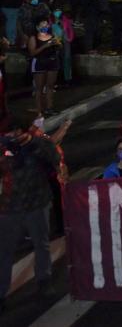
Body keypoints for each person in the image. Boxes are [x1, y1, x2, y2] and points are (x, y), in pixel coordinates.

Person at [0, 116, 60, 308]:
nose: (14, 136)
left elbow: (55, 158)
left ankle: (44, 281)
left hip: (37, 203)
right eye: (10, 132)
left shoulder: (38, 144)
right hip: (10, 207)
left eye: (17, 132)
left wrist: (33, 143)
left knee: (41, 245)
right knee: (5, 251)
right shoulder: (3, 147)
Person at [26, 17, 61, 117]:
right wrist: (45, 46)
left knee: (50, 86)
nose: (45, 27)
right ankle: (39, 110)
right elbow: (32, 53)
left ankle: (49, 108)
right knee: (39, 88)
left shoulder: (52, 36)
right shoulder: (34, 38)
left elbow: (58, 48)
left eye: (46, 25)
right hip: (39, 63)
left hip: (52, 62)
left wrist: (57, 44)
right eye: (42, 25)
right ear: (37, 27)